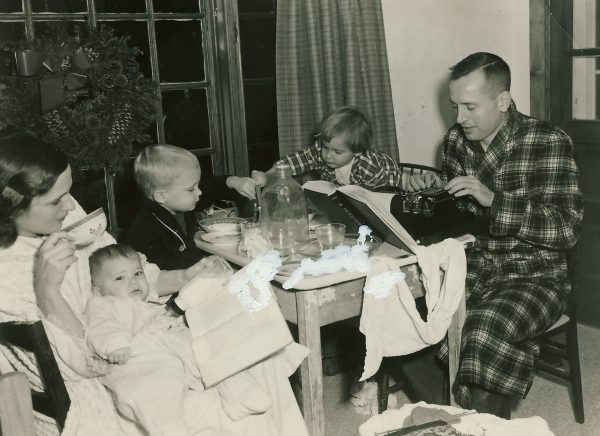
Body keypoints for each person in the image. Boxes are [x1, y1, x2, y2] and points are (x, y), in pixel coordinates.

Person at [0, 132, 309, 435]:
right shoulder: (8, 274)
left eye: (69, 193)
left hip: (151, 332)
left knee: (252, 337)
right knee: (231, 375)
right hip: (111, 382)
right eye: (57, 201)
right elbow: (87, 366)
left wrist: (187, 276)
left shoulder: (65, 221)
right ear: (11, 205)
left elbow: (132, 272)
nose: (71, 207)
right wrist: (48, 291)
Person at [408, 52, 584, 417]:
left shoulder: (546, 141)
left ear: (502, 101)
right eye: (455, 106)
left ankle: (480, 421)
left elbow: (566, 230)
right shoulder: (456, 142)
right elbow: (458, 218)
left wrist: (494, 201)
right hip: (472, 266)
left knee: (483, 329)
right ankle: (456, 413)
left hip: (536, 275)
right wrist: (434, 191)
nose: (459, 119)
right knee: (405, 312)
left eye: (470, 107)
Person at [86, 244, 272, 435]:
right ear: (98, 291)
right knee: (152, 388)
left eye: (138, 273)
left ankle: (242, 394)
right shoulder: (103, 304)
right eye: (120, 278)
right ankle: (169, 429)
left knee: (215, 353)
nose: (133, 282)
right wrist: (115, 344)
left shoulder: (147, 302)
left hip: (173, 348)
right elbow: (101, 325)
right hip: (139, 360)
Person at [120, 143, 257, 270]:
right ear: (161, 196)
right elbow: (157, 273)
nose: (199, 192)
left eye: (197, 185)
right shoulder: (144, 230)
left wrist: (235, 182)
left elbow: (210, 187)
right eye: (191, 189)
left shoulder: (179, 202)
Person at [252, 106, 405, 190]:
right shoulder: (321, 151)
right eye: (326, 147)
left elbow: (376, 200)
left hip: (387, 188)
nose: (328, 156)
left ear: (357, 151)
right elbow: (291, 162)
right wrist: (267, 176)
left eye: (337, 152)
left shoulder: (369, 166)